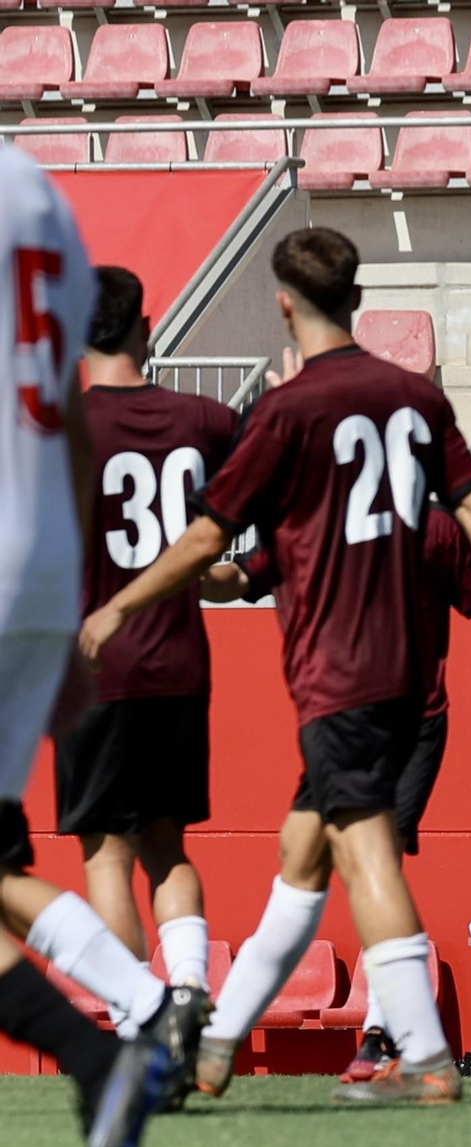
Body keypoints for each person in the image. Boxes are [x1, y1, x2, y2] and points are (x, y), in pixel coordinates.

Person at [79, 227, 471, 1106]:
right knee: (302, 858)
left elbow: (208, 538)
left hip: (340, 673)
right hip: (411, 677)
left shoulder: (288, 413)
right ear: (358, 298)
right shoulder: (414, 399)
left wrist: (122, 602)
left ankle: (422, 1056)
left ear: (285, 305)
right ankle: (216, 1050)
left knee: (365, 854)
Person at [207, 500, 471, 1083]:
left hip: (403, 720)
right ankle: (215, 1042)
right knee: (304, 857)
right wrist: (173, 567)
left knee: (372, 865)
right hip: (338, 722)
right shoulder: (307, 518)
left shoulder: (431, 524)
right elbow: (238, 576)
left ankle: (394, 1045)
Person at [0, 143, 180, 1147]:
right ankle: (118, 1031)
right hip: (36, 564)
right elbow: (63, 404)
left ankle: (111, 1040)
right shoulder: (36, 192)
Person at [55, 267, 237, 1025]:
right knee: (168, 846)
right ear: (148, 325)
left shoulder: (65, 431)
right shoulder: (204, 419)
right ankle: (191, 996)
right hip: (179, 663)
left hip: (95, 665)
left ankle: (138, 1021)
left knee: (107, 856)